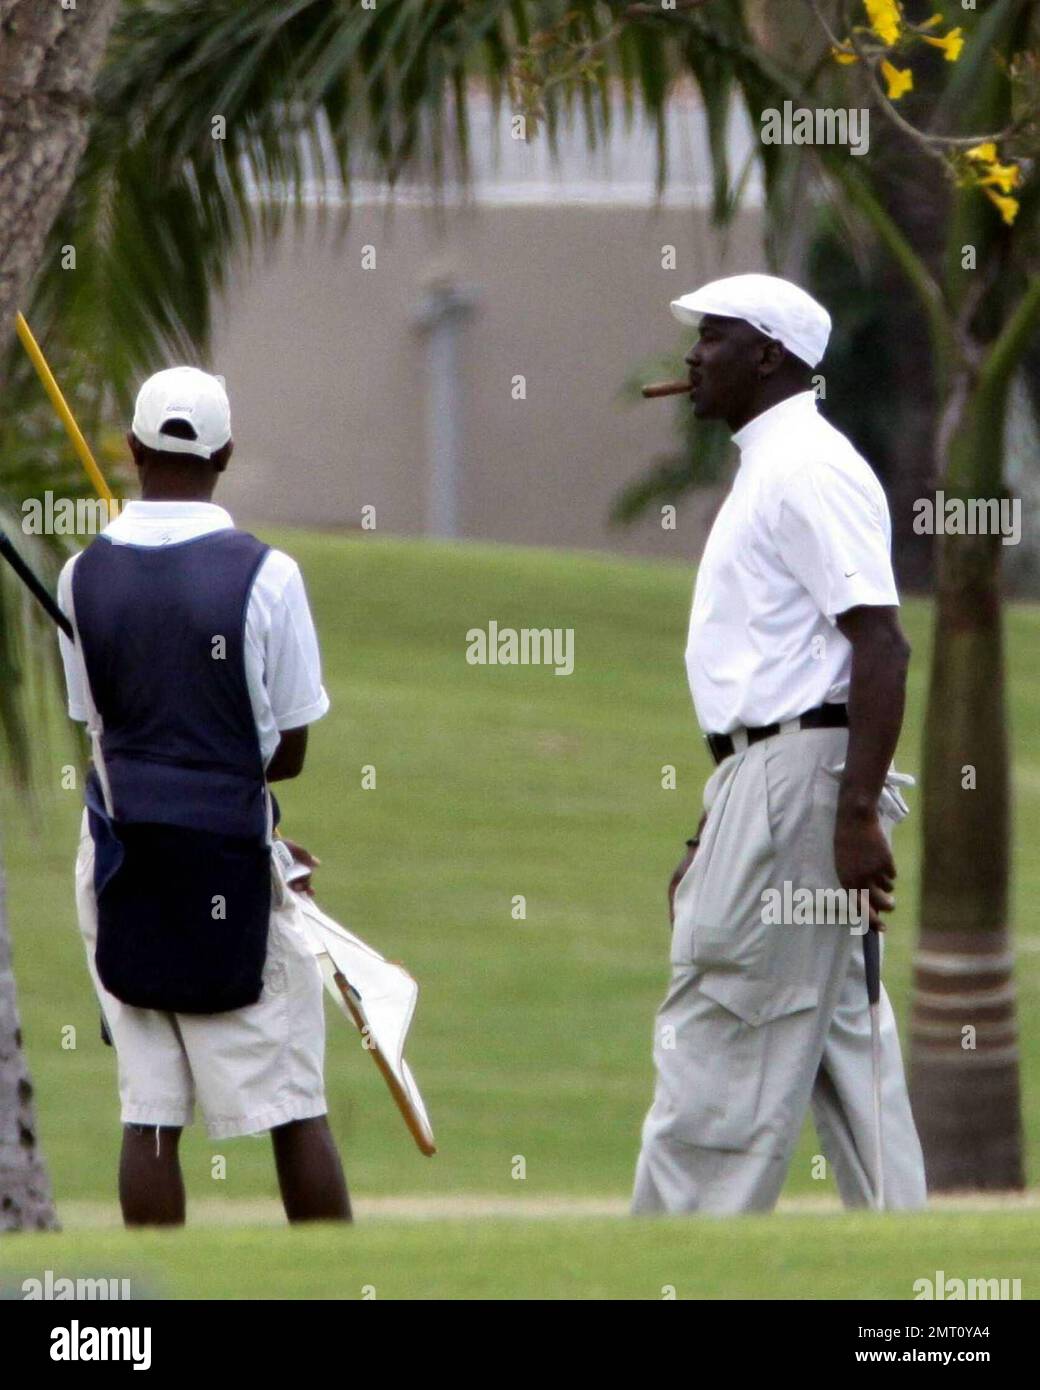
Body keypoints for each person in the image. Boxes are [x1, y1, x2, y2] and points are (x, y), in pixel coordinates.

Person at [632, 274, 927, 1214]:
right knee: (850, 1054)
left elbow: (879, 645)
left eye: (713, 337)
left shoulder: (804, 466)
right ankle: (921, 1286)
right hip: (776, 783)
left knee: (724, 1039)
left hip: (798, 789)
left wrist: (849, 817)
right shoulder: (776, 462)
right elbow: (780, 673)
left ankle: (674, 1278)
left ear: (769, 355)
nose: (692, 357)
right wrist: (710, 833)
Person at [58, 366, 350, 1226]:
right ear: (225, 453)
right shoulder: (269, 574)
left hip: (118, 859)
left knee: (150, 1113)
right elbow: (288, 752)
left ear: (134, 449)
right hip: (227, 857)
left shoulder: (81, 576)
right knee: (294, 1104)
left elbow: (103, 726)